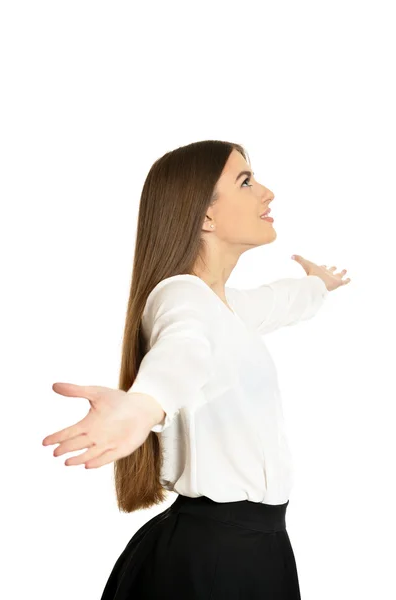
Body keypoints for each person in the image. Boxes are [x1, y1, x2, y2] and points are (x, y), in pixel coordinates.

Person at [42, 140, 350, 599]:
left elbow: (281, 301)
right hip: (215, 557)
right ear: (204, 216)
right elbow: (182, 354)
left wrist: (317, 284)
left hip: (254, 548)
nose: (266, 192)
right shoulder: (183, 297)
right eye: (245, 181)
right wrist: (145, 405)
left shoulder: (226, 309)